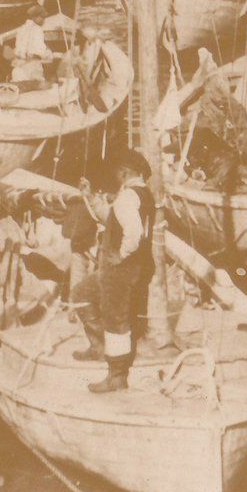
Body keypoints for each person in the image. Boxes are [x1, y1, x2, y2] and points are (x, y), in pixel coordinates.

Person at [72, 150, 157, 394]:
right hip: (125, 268)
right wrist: (89, 196)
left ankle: (116, 375)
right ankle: (98, 346)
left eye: (117, 171)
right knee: (81, 294)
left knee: (115, 319)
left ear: (124, 172)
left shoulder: (128, 196)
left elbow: (134, 232)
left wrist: (121, 254)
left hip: (120, 269)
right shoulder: (143, 194)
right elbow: (113, 219)